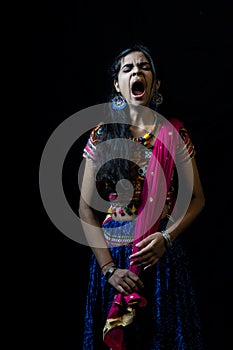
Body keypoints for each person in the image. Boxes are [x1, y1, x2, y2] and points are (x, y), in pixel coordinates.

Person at [79, 43, 205, 350]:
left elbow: (197, 199)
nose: (137, 71)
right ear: (117, 85)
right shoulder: (101, 135)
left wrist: (167, 238)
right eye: (128, 68)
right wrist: (109, 269)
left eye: (144, 67)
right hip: (115, 263)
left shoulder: (173, 133)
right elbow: (86, 209)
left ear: (156, 84)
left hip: (158, 256)